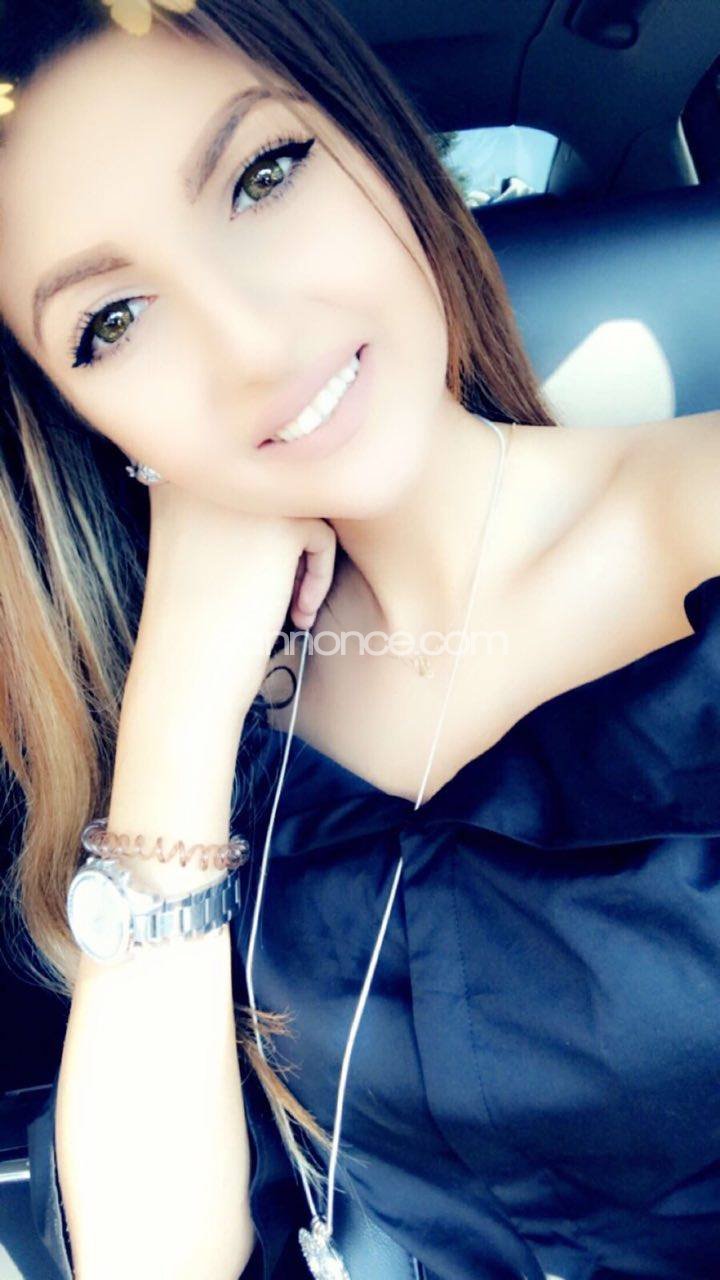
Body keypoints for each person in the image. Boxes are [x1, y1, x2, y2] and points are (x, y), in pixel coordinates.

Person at [1, 1, 719, 1277]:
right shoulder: (209, 733)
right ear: (86, 421)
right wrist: (176, 697)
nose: (252, 342)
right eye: (112, 321)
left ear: (383, 152)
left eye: (263, 175)